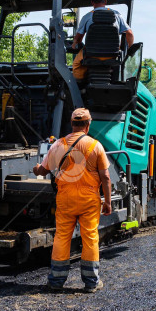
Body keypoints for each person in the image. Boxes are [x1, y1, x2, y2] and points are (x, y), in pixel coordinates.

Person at [32, 108, 112, 292]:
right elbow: (106, 177)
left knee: (62, 237)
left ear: (72, 123)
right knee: (90, 237)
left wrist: (36, 168)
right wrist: (107, 201)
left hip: (65, 199)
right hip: (89, 200)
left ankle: (56, 281)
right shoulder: (95, 146)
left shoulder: (58, 145)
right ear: (88, 125)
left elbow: (42, 171)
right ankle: (91, 283)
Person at [71, 0, 134, 80]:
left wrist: (74, 44)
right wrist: (129, 51)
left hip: (91, 55)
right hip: (113, 55)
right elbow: (130, 34)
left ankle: (80, 84)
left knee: (76, 64)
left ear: (92, 2)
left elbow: (78, 39)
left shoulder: (87, 16)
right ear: (105, 2)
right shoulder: (117, 15)